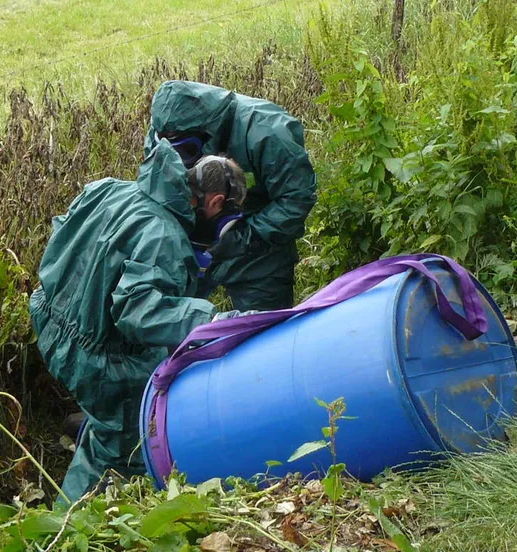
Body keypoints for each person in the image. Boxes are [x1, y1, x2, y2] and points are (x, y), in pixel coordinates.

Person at [30, 140, 248, 504]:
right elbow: (137, 310)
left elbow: (63, 233)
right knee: (121, 450)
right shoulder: (164, 236)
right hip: (92, 357)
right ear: (215, 203)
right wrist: (214, 320)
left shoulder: (109, 189)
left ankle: (95, 422)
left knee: (115, 408)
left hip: (49, 318)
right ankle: (62, 530)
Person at [145, 80, 317, 311]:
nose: (181, 158)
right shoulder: (165, 130)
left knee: (260, 335)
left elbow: (296, 198)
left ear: (207, 131)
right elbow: (156, 187)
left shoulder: (266, 132)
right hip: (192, 241)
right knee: (168, 320)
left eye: (188, 150)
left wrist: (243, 238)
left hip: (259, 244)